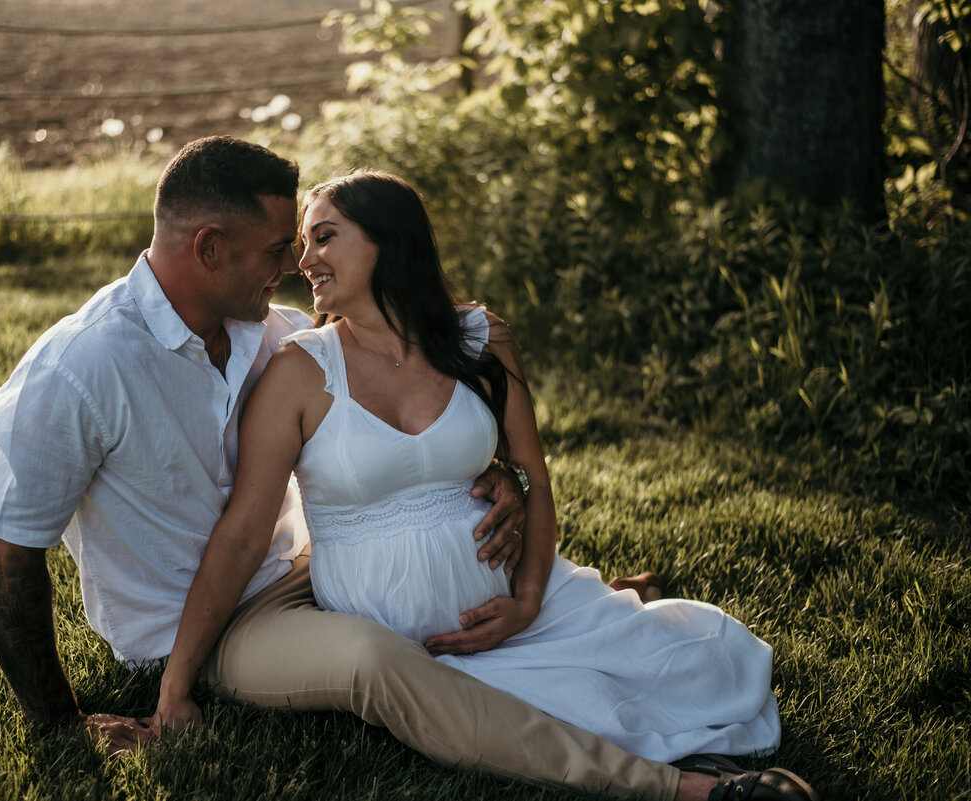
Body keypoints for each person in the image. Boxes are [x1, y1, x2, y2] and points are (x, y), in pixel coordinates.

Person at [0, 136, 688, 800]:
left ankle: (574, 619)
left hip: (306, 572)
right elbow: (1, 551)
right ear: (210, 248)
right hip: (208, 630)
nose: (293, 266)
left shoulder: (271, 333)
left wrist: (498, 469)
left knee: (421, 577)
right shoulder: (79, 370)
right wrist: (61, 721)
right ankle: (657, 783)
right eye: (280, 248)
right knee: (370, 660)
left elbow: (396, 395)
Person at [147, 169, 819, 801]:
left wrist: (526, 599)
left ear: (391, 241)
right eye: (301, 244)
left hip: (508, 607)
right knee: (554, 711)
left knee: (694, 663)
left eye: (325, 236)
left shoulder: (479, 339)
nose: (305, 260)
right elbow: (242, 531)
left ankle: (592, 616)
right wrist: (173, 691)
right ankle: (682, 787)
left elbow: (534, 473)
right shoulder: (299, 373)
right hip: (409, 642)